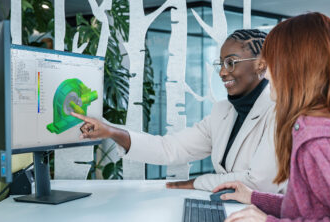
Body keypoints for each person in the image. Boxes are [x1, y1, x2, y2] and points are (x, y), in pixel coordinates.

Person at [72, 29, 286, 193]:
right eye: (220, 63)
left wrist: (195, 183)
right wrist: (112, 132)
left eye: (231, 63)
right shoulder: (222, 112)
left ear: (261, 64)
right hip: (230, 207)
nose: (222, 72)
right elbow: (170, 148)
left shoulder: (281, 112)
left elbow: (260, 182)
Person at [213, 12, 330, 221]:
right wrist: (254, 197)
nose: (267, 74)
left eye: (270, 63)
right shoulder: (325, 124)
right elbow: (311, 208)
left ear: (294, 67)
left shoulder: (322, 137)